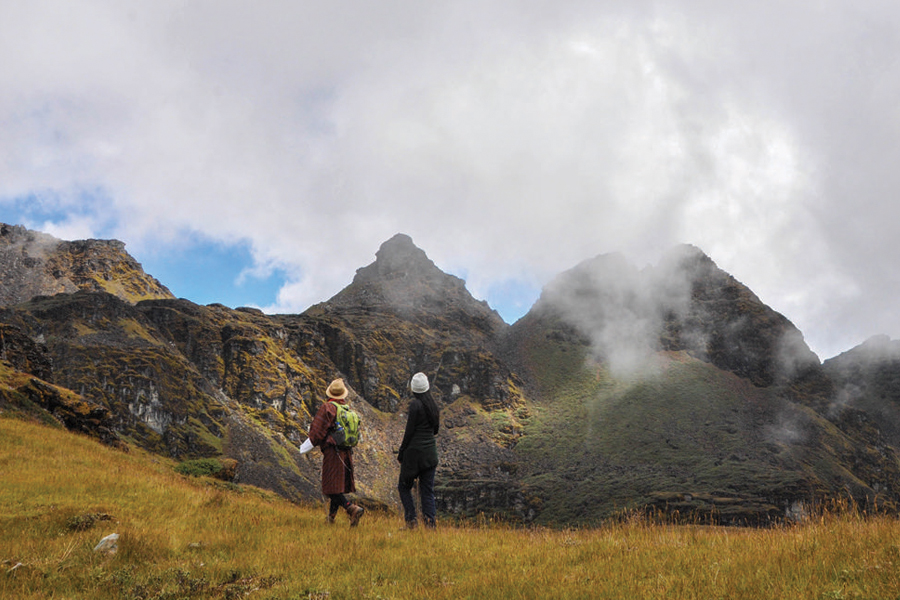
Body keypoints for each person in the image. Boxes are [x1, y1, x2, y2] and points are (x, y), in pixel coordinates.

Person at [308, 378, 365, 526]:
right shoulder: (346, 410)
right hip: (346, 452)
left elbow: (316, 432)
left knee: (330, 487)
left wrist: (310, 444)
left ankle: (351, 508)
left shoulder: (327, 408)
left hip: (333, 453)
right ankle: (331, 518)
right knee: (336, 485)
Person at [397, 372, 440, 528]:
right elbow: (435, 430)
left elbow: (409, 432)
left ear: (414, 389)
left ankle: (411, 521)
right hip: (430, 454)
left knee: (404, 486)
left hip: (414, 454)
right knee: (427, 491)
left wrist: (401, 452)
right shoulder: (433, 405)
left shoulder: (415, 405)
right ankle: (430, 524)